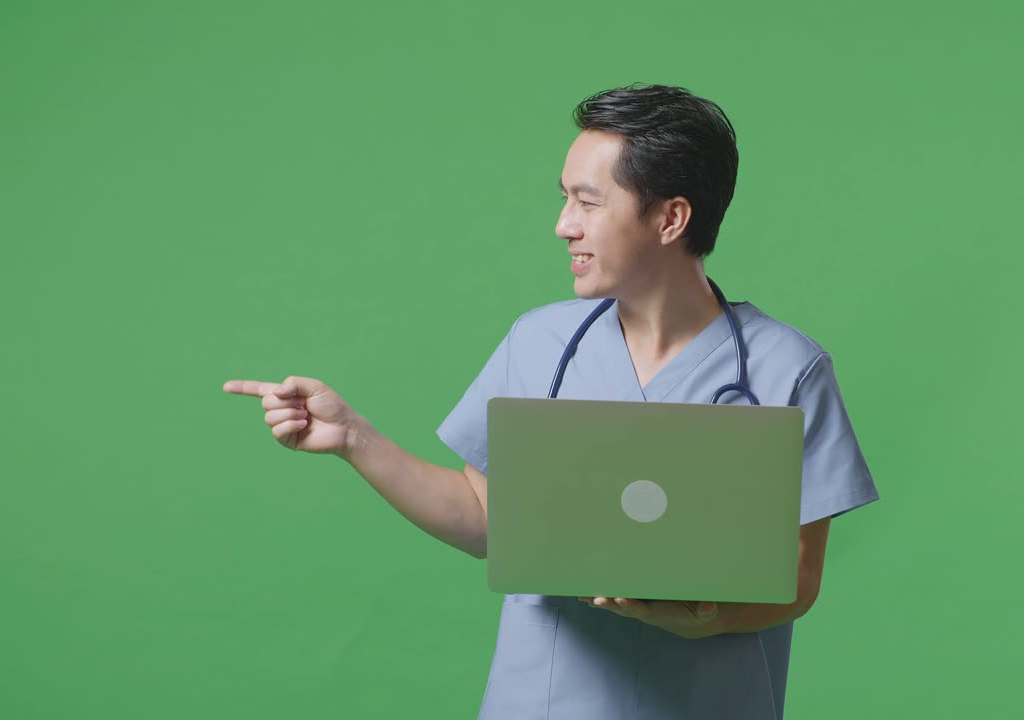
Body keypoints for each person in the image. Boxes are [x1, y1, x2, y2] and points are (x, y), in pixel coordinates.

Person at [224, 83, 879, 719]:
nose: (564, 225)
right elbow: (486, 518)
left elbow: (797, 577)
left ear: (671, 217)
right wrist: (352, 438)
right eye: (565, 199)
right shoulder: (538, 341)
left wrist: (702, 622)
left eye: (588, 203)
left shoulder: (786, 370)